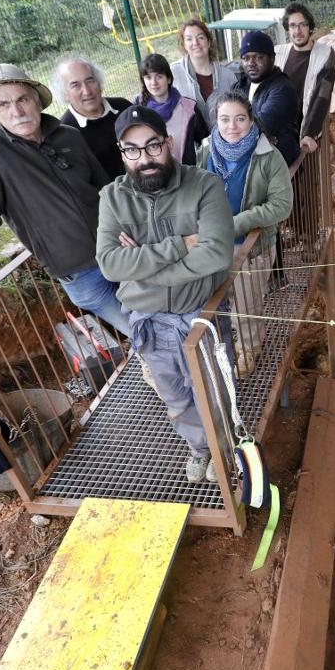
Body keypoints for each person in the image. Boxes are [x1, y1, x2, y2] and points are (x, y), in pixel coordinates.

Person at [96, 105, 235, 483]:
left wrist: (141, 265)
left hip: (199, 314)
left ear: (169, 143)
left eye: (153, 146)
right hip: (150, 321)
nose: (145, 159)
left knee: (212, 387)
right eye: (133, 150)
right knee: (174, 394)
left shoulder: (205, 185)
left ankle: (224, 450)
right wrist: (181, 245)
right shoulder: (112, 198)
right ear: (122, 153)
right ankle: (199, 448)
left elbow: (217, 253)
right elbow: (110, 264)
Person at [0, 64, 129, 336]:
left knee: (154, 319)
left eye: (22, 100)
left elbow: (106, 190)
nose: (16, 112)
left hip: (118, 252)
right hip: (79, 272)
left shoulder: (69, 135)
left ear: (36, 100)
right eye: (3, 104)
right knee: (142, 332)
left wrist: (127, 229)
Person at [197, 91, 293, 372]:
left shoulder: (268, 156)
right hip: (212, 245)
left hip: (251, 248)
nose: (232, 126)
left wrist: (236, 223)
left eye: (240, 119)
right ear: (216, 121)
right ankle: (223, 349)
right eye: (225, 119)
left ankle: (250, 349)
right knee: (218, 301)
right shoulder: (206, 151)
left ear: (251, 121)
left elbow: (281, 205)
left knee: (247, 305)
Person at [51, 55, 132, 179]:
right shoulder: (64, 134)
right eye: (75, 85)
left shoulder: (124, 108)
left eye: (90, 81)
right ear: (65, 94)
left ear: (99, 84)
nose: (87, 91)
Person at [275, 2, 335, 154]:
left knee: (307, 175)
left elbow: (322, 96)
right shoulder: (278, 54)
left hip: (307, 133)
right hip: (280, 134)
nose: (298, 30)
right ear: (287, 29)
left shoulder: (325, 55)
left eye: (303, 25)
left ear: (310, 27)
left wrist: (310, 133)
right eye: (293, 25)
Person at [233, 30, 301, 166]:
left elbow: (261, 125)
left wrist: (228, 130)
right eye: (246, 58)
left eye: (258, 57)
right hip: (252, 163)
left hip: (280, 167)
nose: (251, 63)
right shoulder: (240, 85)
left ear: (272, 58)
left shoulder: (283, 88)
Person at [135, 52, 206, 163]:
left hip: (185, 174)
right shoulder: (136, 111)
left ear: (168, 79)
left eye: (159, 76)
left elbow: (205, 142)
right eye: (148, 77)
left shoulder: (189, 108)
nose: (154, 82)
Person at [170, 18, 236, 129]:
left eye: (200, 37)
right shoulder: (173, 73)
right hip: (190, 142)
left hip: (224, 141)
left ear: (208, 42)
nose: (195, 43)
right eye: (189, 39)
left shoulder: (228, 76)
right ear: (184, 45)